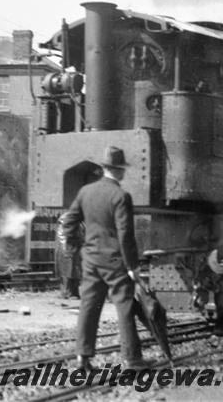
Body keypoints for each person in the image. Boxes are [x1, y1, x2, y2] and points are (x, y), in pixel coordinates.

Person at [59, 146, 147, 370]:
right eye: (122, 169)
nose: (123, 173)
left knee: (89, 305)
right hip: (115, 261)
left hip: (90, 259)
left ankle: (83, 358)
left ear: (104, 168)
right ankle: (132, 359)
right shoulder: (120, 196)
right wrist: (132, 266)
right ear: (118, 171)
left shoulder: (85, 192)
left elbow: (69, 221)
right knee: (125, 306)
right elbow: (125, 234)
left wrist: (75, 245)